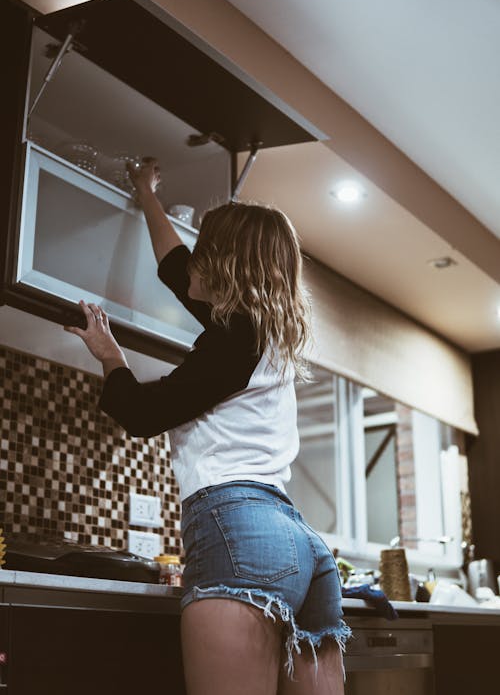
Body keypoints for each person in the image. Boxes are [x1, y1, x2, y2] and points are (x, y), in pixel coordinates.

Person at [64, 158, 352, 694]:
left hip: (238, 529)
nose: (192, 259)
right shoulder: (258, 334)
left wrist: (108, 354)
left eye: (204, 250)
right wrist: (145, 192)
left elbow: (142, 414)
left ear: (223, 265)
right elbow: (176, 269)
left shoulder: (235, 340)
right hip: (300, 544)